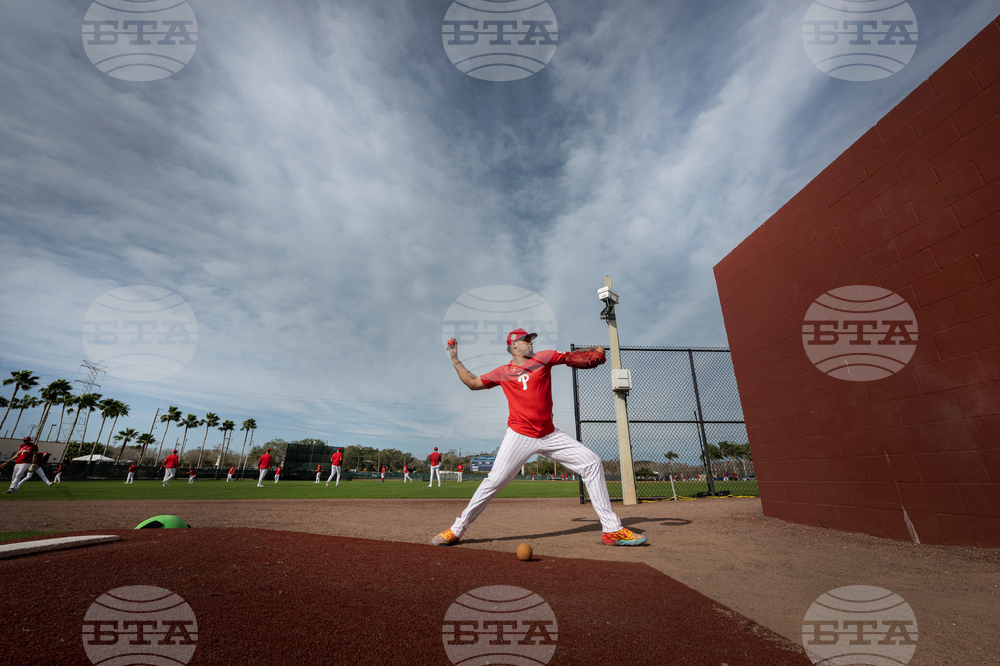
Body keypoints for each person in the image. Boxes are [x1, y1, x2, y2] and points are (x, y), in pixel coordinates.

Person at [433, 329, 647, 547]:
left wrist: (594, 351)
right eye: (526, 340)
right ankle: (457, 529)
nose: (531, 343)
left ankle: (612, 530)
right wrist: (454, 358)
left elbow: (572, 357)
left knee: (592, 462)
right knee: (494, 482)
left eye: (531, 340)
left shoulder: (543, 358)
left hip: (549, 434)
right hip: (519, 435)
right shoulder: (503, 372)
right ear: (513, 346)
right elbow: (472, 382)